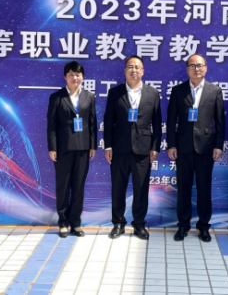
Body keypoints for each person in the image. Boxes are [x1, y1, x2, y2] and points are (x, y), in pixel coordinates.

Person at [167, 54, 225, 242]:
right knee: (183, 188)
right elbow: (171, 120)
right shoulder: (178, 90)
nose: (196, 69)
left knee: (204, 189)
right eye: (192, 66)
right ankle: (183, 225)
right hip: (183, 147)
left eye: (199, 65)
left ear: (205, 68)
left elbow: (220, 121)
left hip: (206, 148)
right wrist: (171, 144)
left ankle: (204, 226)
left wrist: (218, 145)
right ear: (187, 69)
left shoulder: (214, 91)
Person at [104, 55, 162, 240]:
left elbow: (157, 123)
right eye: (130, 67)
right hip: (119, 148)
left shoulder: (153, 93)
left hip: (143, 150)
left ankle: (139, 224)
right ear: (125, 71)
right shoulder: (115, 93)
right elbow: (108, 121)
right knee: (118, 188)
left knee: (141, 188)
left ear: (143, 71)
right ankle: (118, 223)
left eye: (137, 67)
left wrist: (155, 146)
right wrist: (108, 146)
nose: (134, 70)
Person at [47, 61, 97, 238]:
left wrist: (93, 145)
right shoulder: (57, 97)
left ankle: (75, 222)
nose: (75, 78)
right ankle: (63, 222)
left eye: (78, 75)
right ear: (65, 77)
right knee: (63, 186)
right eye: (71, 75)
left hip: (83, 148)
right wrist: (52, 147)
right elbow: (51, 125)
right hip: (63, 149)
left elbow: (92, 123)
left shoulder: (89, 97)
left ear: (82, 77)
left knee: (78, 186)